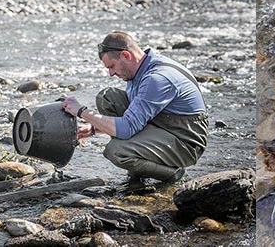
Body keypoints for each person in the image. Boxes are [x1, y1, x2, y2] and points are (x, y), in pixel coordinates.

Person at [61, 31, 208, 187]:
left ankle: (172, 173)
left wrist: (82, 111)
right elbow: (136, 115)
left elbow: (128, 127)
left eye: (111, 66)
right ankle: (138, 165)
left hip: (186, 142)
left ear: (126, 55)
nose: (111, 73)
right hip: (163, 125)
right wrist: (93, 129)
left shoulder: (156, 78)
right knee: (107, 97)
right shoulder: (139, 68)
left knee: (116, 151)